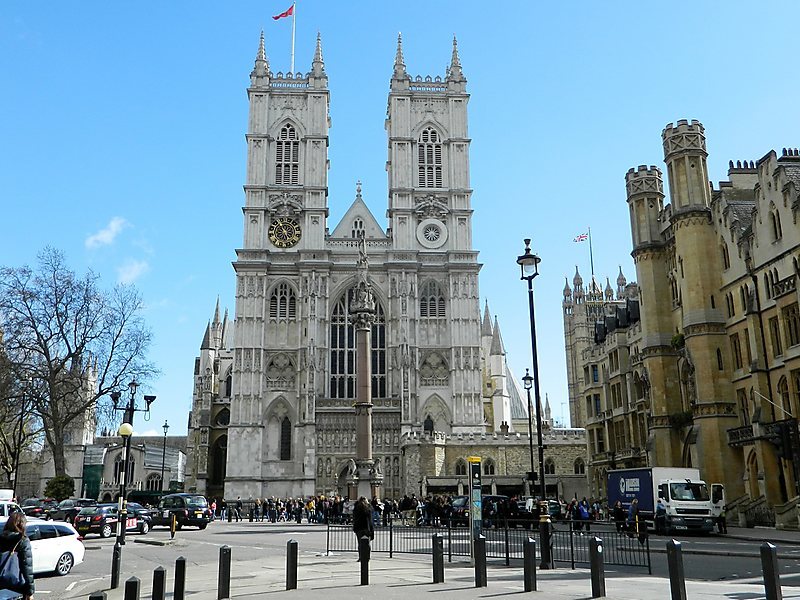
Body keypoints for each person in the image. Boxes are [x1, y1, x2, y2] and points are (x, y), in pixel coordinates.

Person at [0, 512, 35, 600]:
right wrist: (30, 591)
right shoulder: (22, 540)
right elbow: (27, 567)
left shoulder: (1, 538)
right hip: (17, 585)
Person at [352, 497, 374, 562]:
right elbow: (370, 520)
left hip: (359, 528)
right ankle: (367, 557)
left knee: (360, 543)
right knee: (367, 544)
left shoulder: (357, 508)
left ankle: (361, 557)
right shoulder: (368, 508)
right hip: (367, 528)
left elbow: (354, 518)